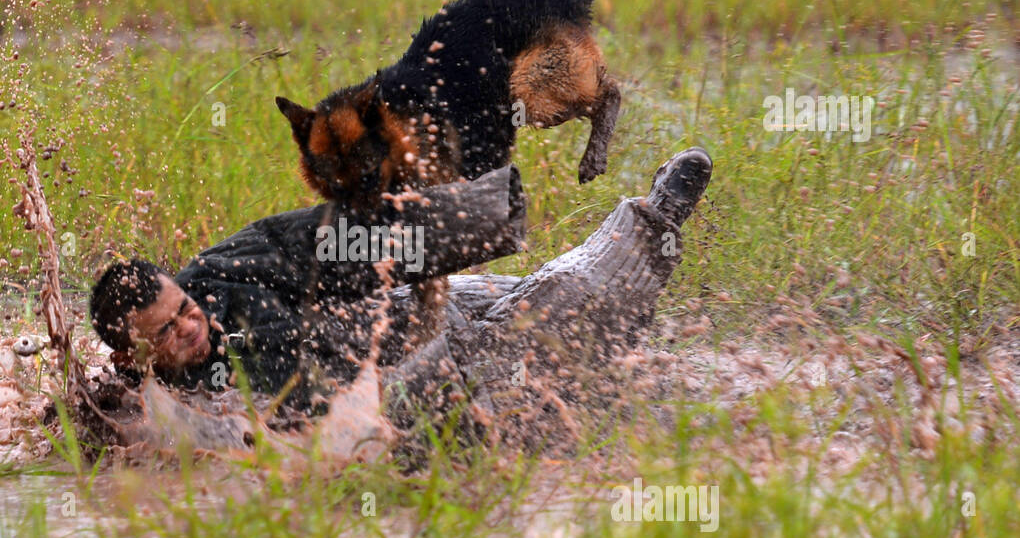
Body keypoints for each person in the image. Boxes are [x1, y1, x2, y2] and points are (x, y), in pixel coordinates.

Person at [88, 148, 712, 456]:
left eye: (185, 307)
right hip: (403, 383)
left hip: (409, 311)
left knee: (558, 306)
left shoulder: (228, 270)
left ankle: (652, 219)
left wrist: (475, 218)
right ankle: (626, 392)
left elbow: (335, 238)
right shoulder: (147, 402)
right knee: (547, 354)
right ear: (128, 352)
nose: (191, 326)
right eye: (167, 332)